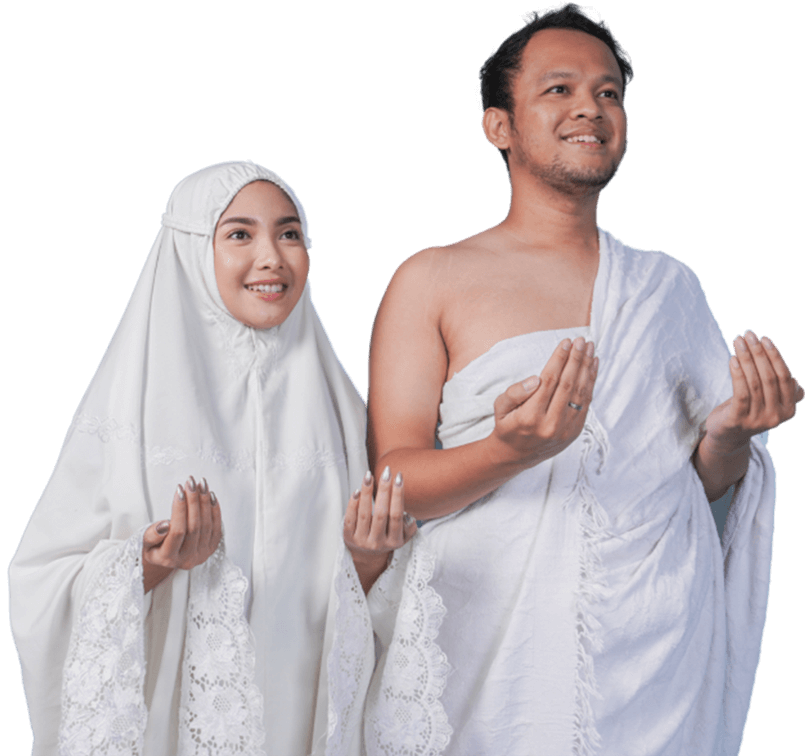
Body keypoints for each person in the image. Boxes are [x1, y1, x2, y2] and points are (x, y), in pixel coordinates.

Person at [317, 5, 802, 756]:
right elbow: (395, 484)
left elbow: (702, 484)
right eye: (559, 89)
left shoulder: (667, 287)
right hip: (491, 641)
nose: (590, 108)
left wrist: (733, 433)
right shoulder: (433, 278)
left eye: (609, 93)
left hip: (655, 645)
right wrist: (508, 450)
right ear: (498, 127)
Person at [9, 160, 369, 755]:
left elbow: (375, 585)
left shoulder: (341, 410)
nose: (272, 257)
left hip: (302, 722)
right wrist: (151, 562)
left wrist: (373, 556)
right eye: (239, 234)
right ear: (190, 249)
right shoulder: (129, 408)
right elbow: (39, 581)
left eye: (289, 233)